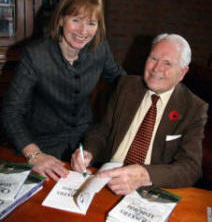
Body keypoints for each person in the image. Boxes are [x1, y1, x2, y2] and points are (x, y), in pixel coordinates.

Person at [2, 0, 125, 181]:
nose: (84, 31)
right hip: (41, 145)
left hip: (85, 145)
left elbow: (122, 83)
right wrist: (35, 155)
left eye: (91, 23)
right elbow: (11, 111)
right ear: (60, 19)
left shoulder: (99, 49)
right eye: (76, 20)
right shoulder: (36, 55)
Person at [71, 33, 208, 195]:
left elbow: (191, 168)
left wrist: (145, 175)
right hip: (107, 179)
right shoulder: (126, 86)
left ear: (182, 72)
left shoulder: (193, 108)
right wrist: (88, 152)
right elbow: (102, 131)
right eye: (153, 58)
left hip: (150, 188)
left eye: (167, 63)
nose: (157, 68)